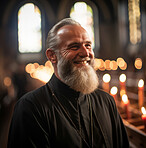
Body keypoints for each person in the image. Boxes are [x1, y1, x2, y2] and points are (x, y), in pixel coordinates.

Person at [8, 18, 129, 148]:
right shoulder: (30, 107)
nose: (85, 53)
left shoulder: (106, 101)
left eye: (88, 45)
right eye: (74, 46)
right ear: (52, 55)